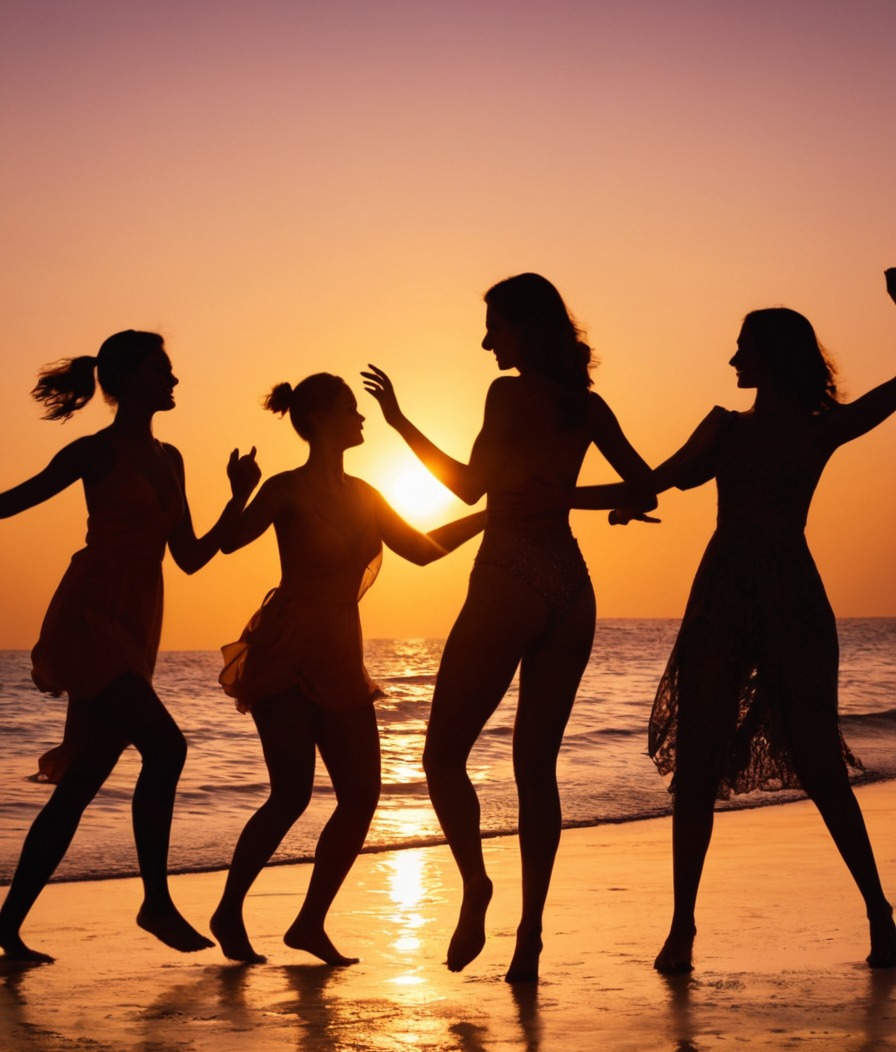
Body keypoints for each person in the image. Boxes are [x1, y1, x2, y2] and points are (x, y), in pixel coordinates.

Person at [362, 273, 656, 981]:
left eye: (495, 324)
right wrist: (579, 497)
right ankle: (530, 941)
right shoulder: (586, 406)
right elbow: (645, 486)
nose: (487, 338)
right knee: (536, 772)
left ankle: (476, 885)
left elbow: (467, 486)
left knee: (440, 758)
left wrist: (400, 423)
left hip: (510, 577)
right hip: (571, 588)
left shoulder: (506, 393)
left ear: (523, 328)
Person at [634, 272, 896, 973]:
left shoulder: (819, 431)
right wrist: (560, 497)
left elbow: (895, 393)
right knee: (695, 769)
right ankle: (682, 927)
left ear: (773, 356)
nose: (731, 360)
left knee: (818, 762)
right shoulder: (723, 427)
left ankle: (880, 915)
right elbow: (654, 481)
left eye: (743, 347)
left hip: (787, 598)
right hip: (726, 595)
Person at [0, 330, 260, 964]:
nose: (173, 381)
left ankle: (5, 929)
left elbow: (193, 558)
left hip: (137, 620)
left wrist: (238, 496)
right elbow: (14, 500)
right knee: (167, 746)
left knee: (82, 782)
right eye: (161, 370)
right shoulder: (94, 452)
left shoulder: (171, 458)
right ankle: (155, 900)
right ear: (128, 382)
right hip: (91, 614)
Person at [210, 373, 485, 965]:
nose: (362, 419)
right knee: (290, 794)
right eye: (352, 410)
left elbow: (421, 548)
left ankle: (309, 922)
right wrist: (238, 492)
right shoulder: (286, 488)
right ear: (322, 420)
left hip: (341, 652)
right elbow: (230, 543)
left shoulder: (365, 493)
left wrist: (490, 516)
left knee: (361, 796)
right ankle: (229, 910)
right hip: (286, 648)